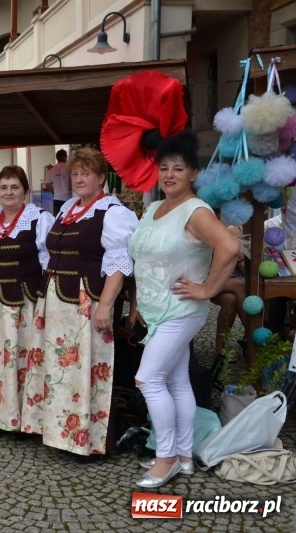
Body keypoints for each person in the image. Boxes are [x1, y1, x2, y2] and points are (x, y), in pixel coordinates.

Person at [128, 131, 239, 488]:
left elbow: (229, 247)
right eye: (164, 168)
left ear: (193, 173)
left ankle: (166, 459)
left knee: (148, 378)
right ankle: (186, 454)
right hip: (157, 310)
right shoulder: (151, 209)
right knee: (176, 381)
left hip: (182, 310)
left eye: (179, 168)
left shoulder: (196, 210)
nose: (170, 174)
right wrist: (138, 302)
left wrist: (208, 288)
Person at [21, 148, 139, 457]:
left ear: (101, 177)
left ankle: (87, 438)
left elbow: (118, 264)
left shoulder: (112, 211)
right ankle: (61, 433)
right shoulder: (69, 208)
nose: (79, 179)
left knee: (87, 367)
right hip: (57, 301)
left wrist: (106, 306)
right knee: (60, 369)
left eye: (86, 173)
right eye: (75, 173)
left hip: (87, 302)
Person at [0, 165, 53, 433]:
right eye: (4, 187)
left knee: (23, 358)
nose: (9, 192)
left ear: (26, 191)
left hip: (23, 301)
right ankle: (0, 415)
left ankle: (26, 418)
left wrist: (45, 301)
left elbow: (48, 263)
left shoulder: (38, 218)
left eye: (15, 187)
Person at [43, 149, 72, 216]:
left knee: (58, 218)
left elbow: (47, 185)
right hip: (68, 198)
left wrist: (54, 191)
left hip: (56, 198)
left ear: (57, 158)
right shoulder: (69, 168)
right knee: (68, 217)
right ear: (65, 157)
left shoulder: (52, 170)